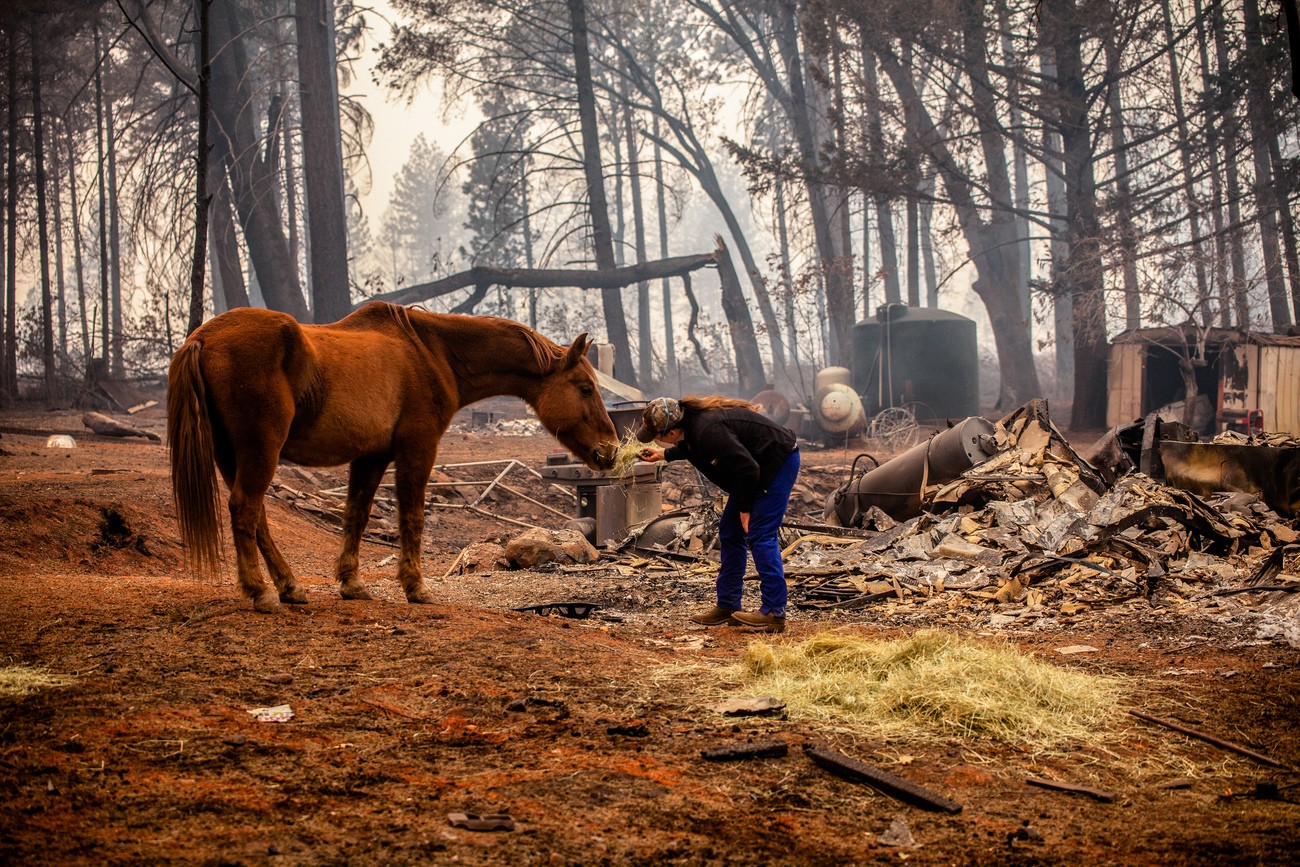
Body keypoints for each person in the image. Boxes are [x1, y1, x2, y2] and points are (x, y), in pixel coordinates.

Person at [636, 395, 800, 633]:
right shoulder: (692, 424)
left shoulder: (708, 430)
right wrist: (664, 455)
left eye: (657, 437)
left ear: (671, 433)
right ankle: (728, 605)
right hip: (754, 468)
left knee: (760, 533)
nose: (656, 441)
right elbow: (693, 447)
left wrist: (745, 509)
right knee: (730, 532)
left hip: (776, 461)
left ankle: (774, 612)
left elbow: (747, 468)